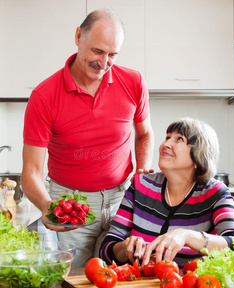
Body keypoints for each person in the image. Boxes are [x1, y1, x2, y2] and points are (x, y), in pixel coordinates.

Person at [21, 9, 154, 268]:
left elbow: (145, 133)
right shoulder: (44, 96)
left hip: (121, 201)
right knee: (74, 284)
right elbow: (31, 172)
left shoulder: (134, 82)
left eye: (112, 55)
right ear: (78, 36)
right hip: (70, 205)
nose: (103, 63)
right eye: (97, 51)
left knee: (119, 280)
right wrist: (49, 208)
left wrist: (141, 170)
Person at [99, 117, 234, 268]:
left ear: (199, 155)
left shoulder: (215, 192)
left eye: (179, 139)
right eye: (167, 137)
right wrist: (125, 247)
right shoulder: (141, 185)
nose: (166, 144)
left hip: (192, 287)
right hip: (140, 286)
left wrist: (188, 236)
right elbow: (106, 250)